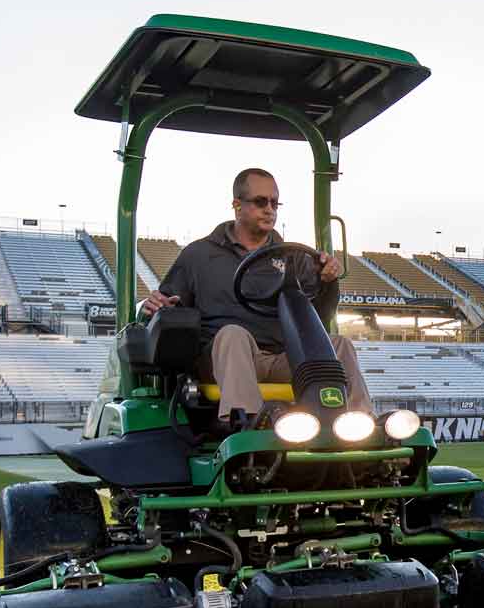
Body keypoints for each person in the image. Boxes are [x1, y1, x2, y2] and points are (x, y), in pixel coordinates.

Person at [141, 167, 373, 428]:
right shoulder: (199, 255)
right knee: (233, 334)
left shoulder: (292, 258)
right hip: (223, 358)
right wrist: (155, 306)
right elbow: (166, 303)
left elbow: (317, 318)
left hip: (281, 355)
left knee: (339, 345)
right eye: (261, 202)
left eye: (275, 203)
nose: (269, 209)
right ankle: (248, 424)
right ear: (237, 205)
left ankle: (359, 426)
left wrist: (328, 283)